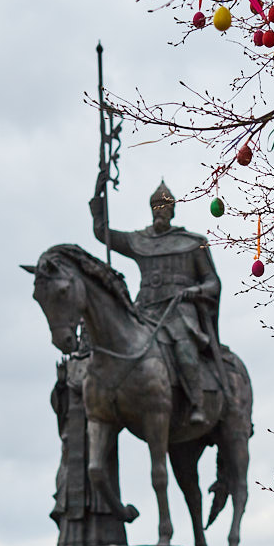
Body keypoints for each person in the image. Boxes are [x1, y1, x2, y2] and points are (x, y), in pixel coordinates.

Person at [90, 179, 220, 426]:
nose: (159, 211)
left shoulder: (192, 242)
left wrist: (195, 290)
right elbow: (102, 234)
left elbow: (213, 282)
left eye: (164, 207)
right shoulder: (140, 241)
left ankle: (196, 404)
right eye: (155, 208)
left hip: (180, 311)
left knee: (184, 350)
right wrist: (99, 197)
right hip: (145, 311)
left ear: (172, 211)